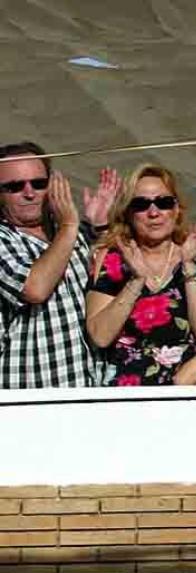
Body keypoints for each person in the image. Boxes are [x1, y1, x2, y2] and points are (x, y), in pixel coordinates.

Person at [86, 164, 196, 386]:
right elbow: (100, 336)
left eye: (164, 202)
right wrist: (136, 281)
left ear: (177, 210)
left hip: (187, 388)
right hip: (129, 390)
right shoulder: (111, 259)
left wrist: (189, 268)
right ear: (128, 213)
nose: (154, 213)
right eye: (141, 205)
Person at [0, 142, 118, 388]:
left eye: (39, 183)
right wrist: (69, 226)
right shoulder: (6, 238)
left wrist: (101, 227)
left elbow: (114, 279)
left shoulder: (73, 233)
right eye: (15, 187)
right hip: (33, 393)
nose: (30, 193)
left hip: (90, 387)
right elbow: (34, 288)